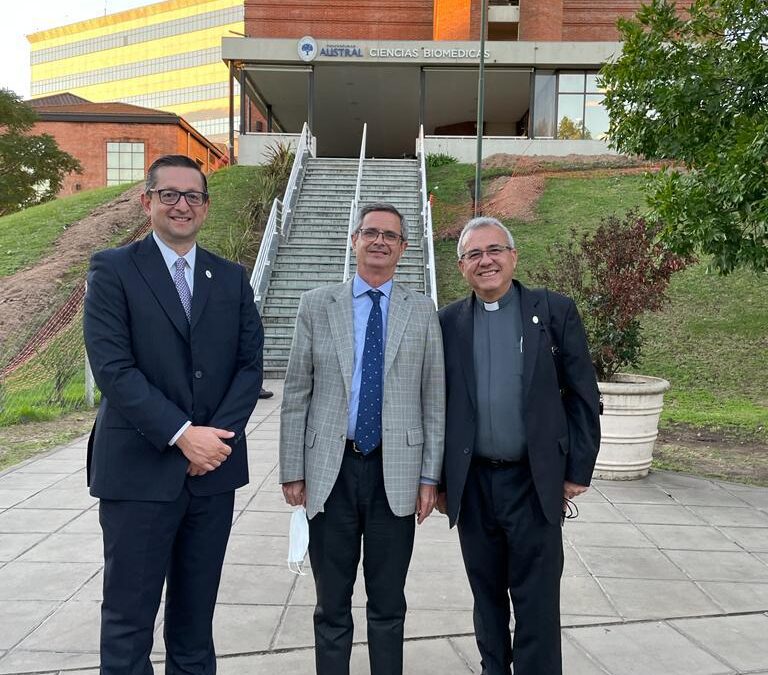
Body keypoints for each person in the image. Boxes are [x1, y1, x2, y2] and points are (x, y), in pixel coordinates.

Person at [83, 154, 264, 674]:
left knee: (194, 622)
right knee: (128, 619)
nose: (182, 205)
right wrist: (184, 436)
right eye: (170, 194)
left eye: (193, 196)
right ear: (148, 201)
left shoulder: (229, 278)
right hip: (139, 472)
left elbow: (250, 366)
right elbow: (114, 369)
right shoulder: (113, 269)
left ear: (206, 206)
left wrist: (214, 443)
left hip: (212, 475)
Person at [280, 202, 445, 675]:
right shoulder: (316, 304)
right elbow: (296, 390)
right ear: (353, 241)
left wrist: (430, 475)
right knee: (331, 604)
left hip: (395, 475)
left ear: (403, 248)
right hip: (330, 471)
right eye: (370, 232)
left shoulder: (421, 309)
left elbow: (434, 398)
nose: (379, 241)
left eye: (389, 236)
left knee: (388, 603)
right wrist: (292, 468)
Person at [437, 217, 600, 675]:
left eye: (494, 250)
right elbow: (437, 406)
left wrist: (577, 469)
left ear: (513, 256)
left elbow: (584, 394)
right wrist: (440, 479)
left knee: (537, 599)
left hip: (534, 481)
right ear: (461, 267)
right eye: (473, 254)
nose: (485, 260)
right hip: (474, 486)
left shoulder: (554, 311)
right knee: (485, 595)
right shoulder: (447, 322)